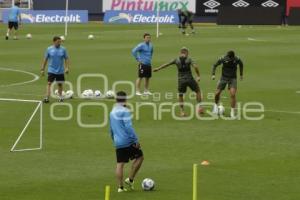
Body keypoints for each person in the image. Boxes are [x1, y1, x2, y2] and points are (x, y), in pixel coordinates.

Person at [109, 91, 144, 192]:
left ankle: (120, 187)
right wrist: (135, 140)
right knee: (140, 157)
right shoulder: (125, 111)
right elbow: (128, 127)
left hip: (118, 142)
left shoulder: (112, 112)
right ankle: (130, 179)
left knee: (120, 164)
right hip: (128, 141)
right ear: (125, 100)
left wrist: (114, 140)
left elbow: (111, 129)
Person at [153, 47, 203, 117]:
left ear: (181, 52)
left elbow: (167, 64)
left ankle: (182, 112)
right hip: (190, 79)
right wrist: (198, 76)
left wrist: (158, 69)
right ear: (186, 52)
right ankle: (200, 107)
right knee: (197, 91)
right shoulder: (189, 59)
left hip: (181, 80)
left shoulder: (176, 59)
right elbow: (195, 67)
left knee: (181, 95)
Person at [211, 51, 244, 118]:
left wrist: (241, 75)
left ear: (233, 57)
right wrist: (213, 74)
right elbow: (215, 65)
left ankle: (232, 112)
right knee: (217, 93)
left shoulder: (237, 59)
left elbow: (241, 64)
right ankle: (215, 106)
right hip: (223, 78)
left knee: (232, 94)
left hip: (232, 78)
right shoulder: (223, 58)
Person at [41, 36, 70, 103]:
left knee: (60, 84)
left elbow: (66, 58)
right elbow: (45, 59)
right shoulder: (49, 49)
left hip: (60, 70)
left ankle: (60, 97)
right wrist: (42, 69)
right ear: (54, 42)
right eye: (58, 42)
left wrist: (67, 68)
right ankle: (47, 98)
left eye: (60, 42)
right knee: (49, 83)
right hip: (51, 70)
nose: (59, 43)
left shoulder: (63, 49)